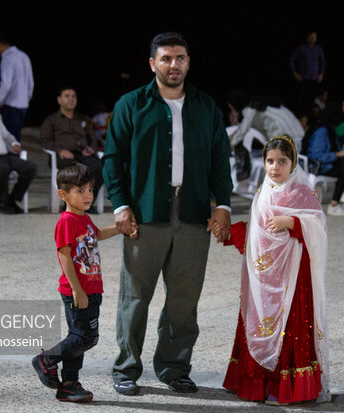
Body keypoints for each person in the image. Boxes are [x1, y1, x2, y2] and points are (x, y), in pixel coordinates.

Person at [102, 31, 233, 396]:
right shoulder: (132, 104)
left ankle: (174, 368)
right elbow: (113, 158)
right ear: (152, 64)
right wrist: (121, 205)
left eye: (179, 58)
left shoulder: (206, 107)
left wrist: (222, 205)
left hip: (193, 213)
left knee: (184, 299)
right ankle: (126, 368)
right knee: (135, 295)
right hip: (145, 213)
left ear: (188, 62)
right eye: (166, 59)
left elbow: (221, 160)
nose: (173, 65)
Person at [220, 135, 329, 405]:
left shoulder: (302, 192)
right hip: (263, 278)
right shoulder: (263, 193)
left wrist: (292, 221)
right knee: (258, 319)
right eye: (270, 161)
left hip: (292, 276)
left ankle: (285, 388)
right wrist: (230, 233)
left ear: (292, 164)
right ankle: (259, 384)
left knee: (289, 327)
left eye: (282, 161)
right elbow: (257, 235)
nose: (275, 167)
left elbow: (319, 226)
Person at [31, 162, 136, 403]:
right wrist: (77, 290)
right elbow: (64, 256)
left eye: (90, 189)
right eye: (80, 191)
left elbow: (96, 235)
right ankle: (45, 360)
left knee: (78, 337)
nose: (87, 195)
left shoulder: (83, 218)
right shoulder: (67, 221)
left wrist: (121, 229)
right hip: (77, 291)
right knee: (86, 338)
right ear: (63, 194)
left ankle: (69, 384)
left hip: (91, 289)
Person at [41, 87, 103, 212]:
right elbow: (45, 141)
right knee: (73, 172)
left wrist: (91, 149)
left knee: (101, 168)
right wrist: (60, 150)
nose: (71, 99)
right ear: (59, 100)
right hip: (63, 155)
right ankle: (70, 206)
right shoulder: (52, 120)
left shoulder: (83, 119)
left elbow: (92, 138)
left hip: (83, 154)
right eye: (67, 96)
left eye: (73, 96)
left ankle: (86, 204)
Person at [302, 105, 344, 216]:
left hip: (326, 163)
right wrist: (337, 154)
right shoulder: (322, 131)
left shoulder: (329, 129)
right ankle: (340, 198)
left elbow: (336, 147)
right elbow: (317, 155)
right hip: (316, 166)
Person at [0, 34, 34, 143]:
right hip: (23, 104)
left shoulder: (8, 59)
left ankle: (12, 160)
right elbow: (30, 82)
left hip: (11, 105)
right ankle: (16, 159)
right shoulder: (24, 56)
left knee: (10, 138)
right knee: (17, 137)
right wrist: (27, 98)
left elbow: (6, 84)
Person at [289, 31, 326, 115]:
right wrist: (295, 73)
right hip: (304, 78)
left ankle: (310, 120)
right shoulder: (302, 48)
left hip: (314, 79)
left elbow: (323, 62)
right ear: (307, 37)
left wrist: (321, 74)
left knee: (312, 101)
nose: (313, 39)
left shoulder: (318, 49)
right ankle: (301, 118)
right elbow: (291, 60)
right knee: (302, 101)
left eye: (315, 37)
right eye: (311, 36)